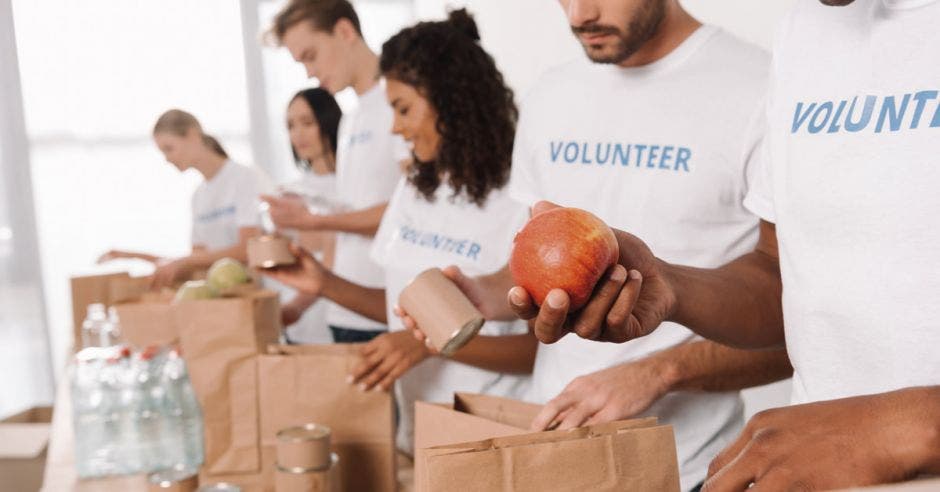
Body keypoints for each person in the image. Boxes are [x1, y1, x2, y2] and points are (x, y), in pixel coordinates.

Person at [506, 0, 940, 489]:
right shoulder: (808, 29)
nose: (579, 13)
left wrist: (903, 426)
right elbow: (779, 276)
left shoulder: (745, 75)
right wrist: (669, 287)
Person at [400, 1, 792, 490]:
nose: (579, 14)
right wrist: (486, 293)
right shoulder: (550, 95)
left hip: (689, 467)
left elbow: (796, 320)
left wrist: (658, 372)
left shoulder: (764, 87)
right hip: (550, 452)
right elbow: (540, 267)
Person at [264, 9, 535, 454]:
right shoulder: (415, 189)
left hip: (494, 440)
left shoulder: (521, 199)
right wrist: (324, 284)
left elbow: (535, 352)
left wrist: (431, 343)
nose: (395, 126)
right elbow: (397, 310)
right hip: (422, 434)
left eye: (403, 108)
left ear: (452, 100)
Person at [263, 0, 408, 343]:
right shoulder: (352, 120)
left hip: (386, 307)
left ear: (344, 32)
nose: (309, 72)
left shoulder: (400, 105)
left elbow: (409, 214)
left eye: (311, 56)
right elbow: (351, 214)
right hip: (343, 308)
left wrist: (313, 221)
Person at [99, 109, 271, 288]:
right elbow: (196, 262)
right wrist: (132, 256)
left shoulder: (245, 178)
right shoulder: (198, 196)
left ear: (193, 135)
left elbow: (248, 250)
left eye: (169, 148)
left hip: (255, 292)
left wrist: (181, 261)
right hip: (221, 298)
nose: (167, 159)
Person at [278, 88, 343, 344]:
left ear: (328, 121)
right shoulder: (289, 193)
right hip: (295, 328)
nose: (298, 134)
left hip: (339, 322)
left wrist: (295, 307)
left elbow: (330, 265)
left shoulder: (349, 189)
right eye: (291, 126)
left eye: (307, 123)